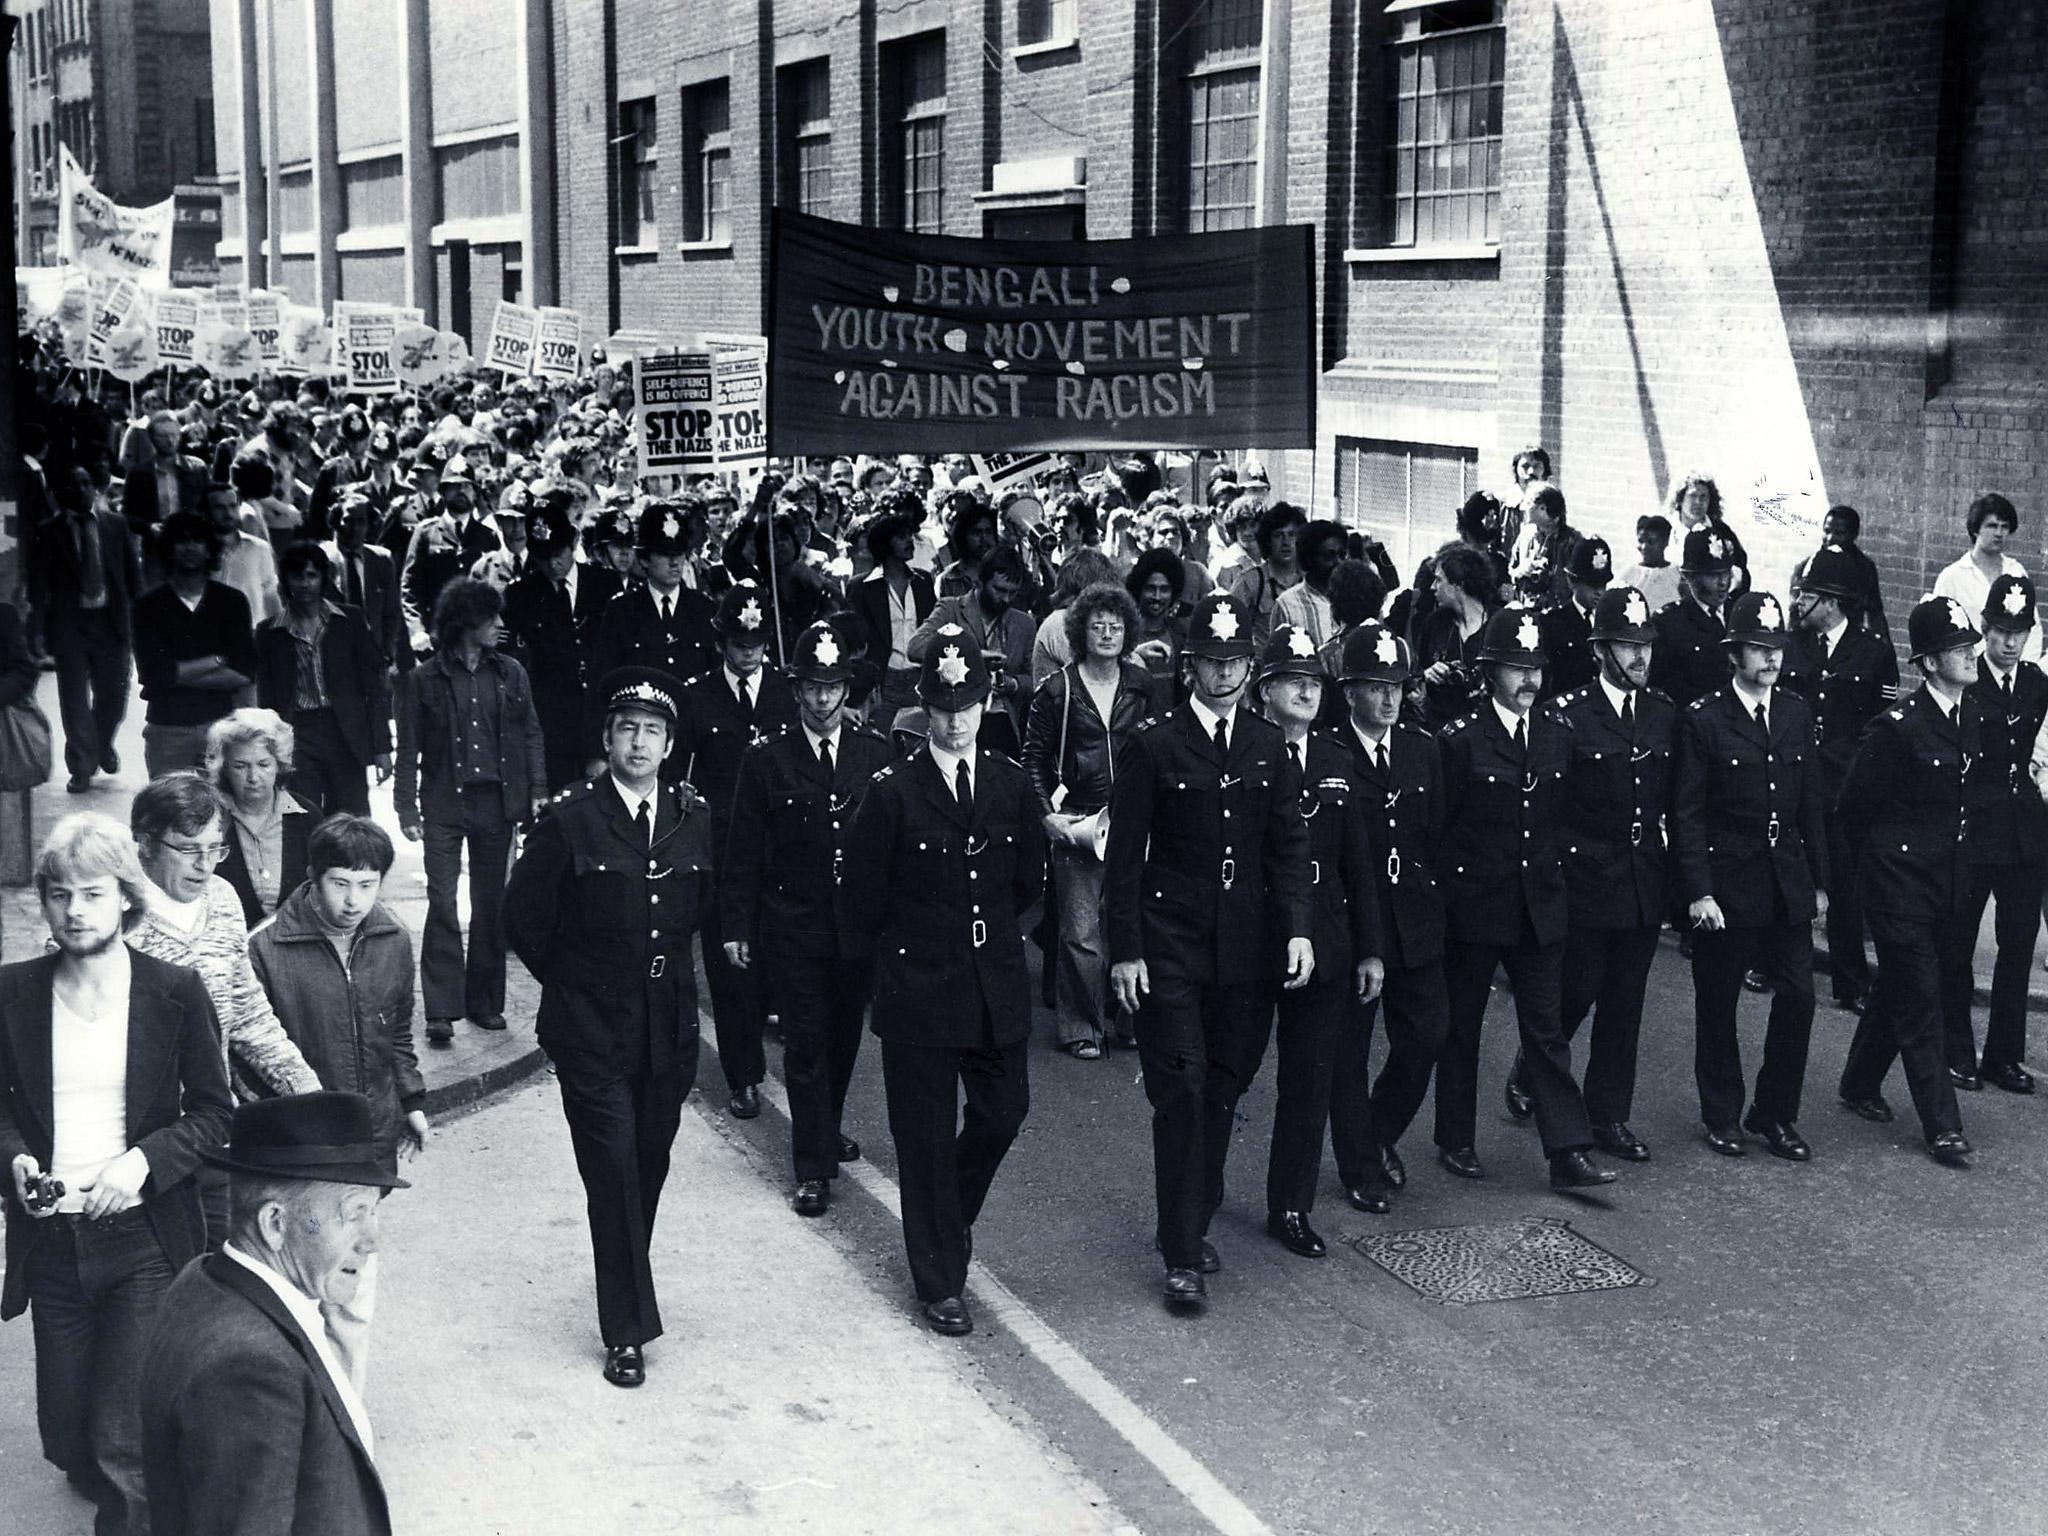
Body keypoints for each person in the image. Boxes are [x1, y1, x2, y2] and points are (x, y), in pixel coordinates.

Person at [0, 813, 233, 1535]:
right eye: (61, 895)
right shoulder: (12, 993)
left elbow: (216, 1116)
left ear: (126, 899)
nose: (75, 911)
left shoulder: (174, 991)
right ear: (43, 900)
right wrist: (17, 1161)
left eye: (93, 894)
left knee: (122, 1439)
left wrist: (142, 1163)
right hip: (53, 1244)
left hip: (143, 1239)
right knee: (69, 1435)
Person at [503, 667, 716, 1386]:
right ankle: (625, 1330)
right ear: (607, 737)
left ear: (668, 745)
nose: (638, 742)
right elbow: (524, 919)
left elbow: (701, 912)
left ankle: (623, 1275)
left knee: (646, 1164)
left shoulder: (692, 816)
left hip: (667, 1030)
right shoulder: (571, 820)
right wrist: (576, 984)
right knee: (615, 1170)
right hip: (591, 1028)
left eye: (652, 731)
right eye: (626, 728)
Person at [837, 629, 1048, 1337]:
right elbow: (861, 901)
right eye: (942, 707)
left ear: (986, 704)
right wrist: (881, 985)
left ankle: (943, 1221)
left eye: (968, 706)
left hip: (993, 984)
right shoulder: (892, 792)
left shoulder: (1012, 784)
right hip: (918, 988)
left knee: (1002, 1111)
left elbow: (1026, 884)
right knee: (923, 1138)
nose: (956, 720)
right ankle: (939, 1280)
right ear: (923, 708)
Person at [1105, 591, 1312, 1310]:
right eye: (1211, 663)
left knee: (1226, 1083)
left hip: (1246, 948)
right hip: (1171, 944)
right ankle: (1182, 1251)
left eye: (1235, 663)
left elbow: (1288, 847)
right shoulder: (1154, 745)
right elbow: (1123, 859)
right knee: (1183, 1088)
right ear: (1189, 667)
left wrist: (1298, 929)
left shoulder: (1266, 745)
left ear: (1249, 670)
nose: (1223, 676)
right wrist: (1125, 951)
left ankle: (1196, 1207)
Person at [139, 1093, 397, 1535]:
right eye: (354, 1215)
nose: (372, 1240)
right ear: (274, 1223)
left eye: (373, 1212)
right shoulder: (249, 1369)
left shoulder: (206, 1279)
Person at [1432, 607, 1612, 1191]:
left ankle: (1567, 1151)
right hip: (1475, 904)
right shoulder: (1460, 741)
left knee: (1545, 1028)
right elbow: (1438, 828)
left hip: (1539, 904)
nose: (1529, 680)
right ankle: (1455, 1137)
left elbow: (1567, 818)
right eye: (1515, 667)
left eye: (1535, 667)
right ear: (1489, 674)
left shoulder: (1560, 733)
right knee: (1463, 1027)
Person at [247, 815, 427, 1386]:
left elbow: (397, 1031)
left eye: (367, 884)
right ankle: (292, 1405)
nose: (354, 901)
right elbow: (246, 1058)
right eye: (340, 883)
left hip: (367, 1142)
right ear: (312, 877)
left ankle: (345, 1411)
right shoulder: (267, 947)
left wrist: (412, 1101)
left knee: (353, 1289)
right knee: (296, 1285)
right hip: (296, 1148)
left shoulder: (392, 938)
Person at [722, 624, 893, 1216]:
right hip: (792, 922)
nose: (823, 700)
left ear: (848, 689)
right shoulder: (767, 757)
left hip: (855, 927)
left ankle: (826, 1126)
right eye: (812, 688)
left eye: (833, 687)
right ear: (795, 691)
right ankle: (811, 1165)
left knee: (844, 1037)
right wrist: (737, 925)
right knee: (805, 1041)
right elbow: (742, 848)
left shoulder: (876, 753)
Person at [1507, 587, 1673, 1161]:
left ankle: (1607, 1118)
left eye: (1644, 646)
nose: (1638, 658)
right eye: (1626, 646)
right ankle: (1531, 1069)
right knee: (1575, 995)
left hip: (1642, 881)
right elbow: (1548, 810)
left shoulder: (1662, 713)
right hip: (1584, 880)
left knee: (1624, 1005)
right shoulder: (1567, 716)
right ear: (1599, 649)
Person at [1673, 591, 1829, 1160]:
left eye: (1777, 648)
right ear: (1734, 654)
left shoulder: (1793, 712)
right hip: (1727, 882)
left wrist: (1819, 880)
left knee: (1799, 998)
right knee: (1718, 1002)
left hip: (1785, 880)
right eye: (1759, 649)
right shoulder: (1705, 719)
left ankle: (1774, 1112)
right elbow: (1686, 813)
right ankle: (1722, 1113)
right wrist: (1699, 891)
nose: (1771, 659)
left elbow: (1811, 801)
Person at [1253, 625, 1383, 1258]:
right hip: (1255, 938)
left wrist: (1370, 947)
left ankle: (1291, 1207)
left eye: (1314, 682)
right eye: (1293, 681)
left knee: (1309, 1081)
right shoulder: (1247, 751)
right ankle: (1201, 1196)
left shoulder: (1336, 758)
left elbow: (1359, 859)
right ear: (1266, 690)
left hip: (1327, 940)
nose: (1307, 691)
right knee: (1229, 1075)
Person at [1835, 597, 1979, 1169]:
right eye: (1957, 650)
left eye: (1969, 645)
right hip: (1899, 887)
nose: (1970, 655)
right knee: (1923, 1000)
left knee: (1902, 987)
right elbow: (1851, 808)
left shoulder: (1975, 714)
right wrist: (1877, 877)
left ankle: (1859, 1081)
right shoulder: (1898, 728)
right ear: (1928, 663)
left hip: (1949, 884)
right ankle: (1943, 1126)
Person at [395, 577, 547, 1045]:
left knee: (490, 903)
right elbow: (410, 748)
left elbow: (530, 734)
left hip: (497, 803)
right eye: (491, 618)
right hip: (444, 801)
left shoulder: (511, 673)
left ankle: (484, 1002)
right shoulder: (424, 679)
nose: (501, 626)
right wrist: (406, 808)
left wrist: (537, 789)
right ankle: (441, 1008)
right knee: (441, 900)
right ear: (465, 623)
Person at [1328, 621, 1447, 1212]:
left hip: (1415, 920)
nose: (1390, 698)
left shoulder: (1423, 749)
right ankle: (1359, 1167)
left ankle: (1377, 1133)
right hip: (1353, 925)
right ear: (1350, 691)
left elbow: (1440, 835)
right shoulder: (1331, 754)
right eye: (1376, 686)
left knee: (1426, 1035)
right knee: (1348, 1050)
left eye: (1398, 685)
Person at [674, 585, 798, 1119]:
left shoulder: (787, 692)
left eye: (757, 642)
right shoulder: (696, 697)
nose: (749, 653)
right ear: (722, 641)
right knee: (731, 970)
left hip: (783, 848)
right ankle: (743, 1075)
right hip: (723, 853)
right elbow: (677, 777)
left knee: (780, 958)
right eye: (739, 643)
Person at [1023, 581, 1155, 1058]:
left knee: (1131, 921)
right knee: (1080, 931)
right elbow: (1033, 757)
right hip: (1078, 819)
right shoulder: (1057, 689)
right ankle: (1081, 1026)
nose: (1106, 633)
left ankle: (1129, 1019)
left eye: (1115, 625)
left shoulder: (1142, 685)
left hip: (1134, 820)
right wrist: (1048, 816)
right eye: (1097, 624)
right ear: (1080, 630)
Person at [1780, 545, 1899, 1015]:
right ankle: (1769, 963)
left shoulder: (1873, 653)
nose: (1799, 602)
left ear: (1830, 601)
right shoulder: (1791, 645)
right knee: (1787, 877)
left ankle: (1851, 981)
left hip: (1846, 789)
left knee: (1847, 887)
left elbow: (1882, 726)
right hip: (1795, 783)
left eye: (1807, 594)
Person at [1956, 574, 2047, 1093]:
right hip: (1974, 832)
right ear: (1985, 629)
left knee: (2016, 950)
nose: (2009, 643)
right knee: (1957, 945)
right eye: (2000, 631)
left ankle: (2004, 1056)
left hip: (2025, 836)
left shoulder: (2037, 683)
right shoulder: (1966, 678)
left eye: (2019, 632)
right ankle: (1957, 1050)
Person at [255, 543, 392, 817]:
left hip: (344, 730)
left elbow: (373, 687)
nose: (304, 584)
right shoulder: (269, 632)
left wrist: (381, 748)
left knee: (350, 817)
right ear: (285, 580)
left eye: (311, 575)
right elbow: (267, 700)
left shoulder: (349, 620)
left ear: (323, 578)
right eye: (297, 576)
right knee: (302, 814)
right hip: (297, 732)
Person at [501, 490, 625, 792]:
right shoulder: (520, 595)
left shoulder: (605, 584)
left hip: (602, 710)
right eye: (543, 558)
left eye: (558, 554)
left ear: (573, 543)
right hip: (552, 720)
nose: (553, 565)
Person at [582, 500, 722, 754]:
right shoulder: (621, 611)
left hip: (696, 745)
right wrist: (596, 752)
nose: (675, 563)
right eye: (666, 555)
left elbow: (717, 683)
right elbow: (600, 686)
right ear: (644, 559)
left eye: (679, 554)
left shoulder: (704, 610)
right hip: (641, 743)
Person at [132, 511, 259, 778]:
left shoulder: (232, 602)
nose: (190, 548)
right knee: (169, 812)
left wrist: (177, 673)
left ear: (209, 549)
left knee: (224, 812)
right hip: (168, 729)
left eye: (198, 540)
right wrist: (217, 660)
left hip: (222, 727)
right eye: (182, 540)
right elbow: (153, 675)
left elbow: (244, 672)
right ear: (169, 548)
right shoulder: (148, 606)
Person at [38, 460, 137, 793]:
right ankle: (81, 766)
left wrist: (140, 619)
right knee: (74, 699)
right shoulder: (49, 531)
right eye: (72, 485)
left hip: (111, 622)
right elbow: (41, 586)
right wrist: (39, 631)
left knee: (113, 694)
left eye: (85, 483)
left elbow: (131, 575)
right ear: (59, 494)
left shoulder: (116, 525)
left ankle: (101, 741)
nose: (80, 490)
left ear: (95, 488)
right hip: (71, 625)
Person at [908, 543, 1037, 754]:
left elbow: (1036, 679)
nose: (1005, 599)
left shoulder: (1025, 624)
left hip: (1003, 723)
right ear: (979, 582)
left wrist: (1013, 684)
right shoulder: (950, 608)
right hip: (955, 716)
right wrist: (973, 656)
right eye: (999, 590)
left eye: (1012, 593)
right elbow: (915, 647)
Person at [206, 708, 323, 927]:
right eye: (240, 766)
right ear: (224, 768)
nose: (253, 777)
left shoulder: (307, 816)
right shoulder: (210, 818)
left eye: (263, 764)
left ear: (279, 764)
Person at [398, 455, 504, 659]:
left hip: (475, 639)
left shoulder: (487, 536)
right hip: (435, 637)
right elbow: (409, 588)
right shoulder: (425, 532)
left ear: (475, 493)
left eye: (467, 486)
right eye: (454, 486)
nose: (461, 491)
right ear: (443, 491)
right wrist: (417, 630)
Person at [850, 498, 939, 722]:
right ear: (884, 544)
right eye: (901, 537)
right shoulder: (861, 587)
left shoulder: (923, 581)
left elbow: (933, 627)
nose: (910, 541)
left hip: (920, 677)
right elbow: (856, 638)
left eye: (910, 535)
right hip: (883, 681)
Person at [1934, 493, 2038, 665]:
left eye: (2005, 527)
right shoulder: (1952, 577)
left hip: (2008, 673)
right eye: (1992, 526)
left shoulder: (2016, 572)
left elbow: (2032, 628)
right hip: (1968, 672)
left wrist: (2024, 671)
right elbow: (1938, 633)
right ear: (1976, 529)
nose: (1999, 533)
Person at [1649, 525, 1737, 710]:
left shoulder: (1738, 613)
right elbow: (1660, 692)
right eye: (1712, 575)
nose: (1722, 583)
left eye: (1726, 573)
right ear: (1689, 577)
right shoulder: (1668, 624)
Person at [1411, 543, 1496, 728]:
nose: (1433, 587)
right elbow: (1415, 675)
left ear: (1459, 584)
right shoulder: (1434, 623)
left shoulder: (1499, 624)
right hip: (1440, 729)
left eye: (1439, 580)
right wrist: (1427, 675)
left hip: (1485, 731)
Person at [322, 491, 404, 668]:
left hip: (372, 657)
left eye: (361, 522)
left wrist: (388, 653)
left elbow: (391, 612)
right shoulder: (320, 558)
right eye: (348, 520)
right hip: (331, 658)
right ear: (336, 521)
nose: (355, 528)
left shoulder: (381, 560)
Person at [1790, 504, 1890, 645]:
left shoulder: (1864, 568)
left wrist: (1883, 648)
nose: (1830, 538)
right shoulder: (1807, 567)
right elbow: (1795, 612)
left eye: (1839, 533)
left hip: (1849, 643)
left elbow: (1875, 613)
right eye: (1827, 531)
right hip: (1812, 640)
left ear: (1853, 535)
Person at [1535, 535, 1613, 700]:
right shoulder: (1552, 623)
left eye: (1603, 585)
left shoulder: (1610, 621)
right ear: (1571, 581)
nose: (1599, 592)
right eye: (1592, 585)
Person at [1226, 501, 1308, 643]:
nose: (1286, 542)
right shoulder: (1250, 581)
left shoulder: (1309, 581)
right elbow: (1229, 629)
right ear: (1267, 540)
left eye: (1291, 535)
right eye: (1278, 535)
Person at [1666, 471, 1750, 596]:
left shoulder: (1721, 531)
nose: (1698, 502)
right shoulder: (1668, 529)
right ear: (1680, 499)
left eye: (1704, 496)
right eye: (1693, 496)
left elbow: (1741, 571)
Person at [1270, 519, 1348, 653]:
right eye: (1329, 556)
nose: (1338, 562)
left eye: (1342, 555)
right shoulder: (1287, 605)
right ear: (1309, 559)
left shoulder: (1355, 597)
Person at [1619, 513, 1681, 613]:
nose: (1644, 547)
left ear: (1665, 542)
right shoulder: (1628, 574)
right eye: (1640, 541)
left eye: (1651, 542)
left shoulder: (1677, 574)